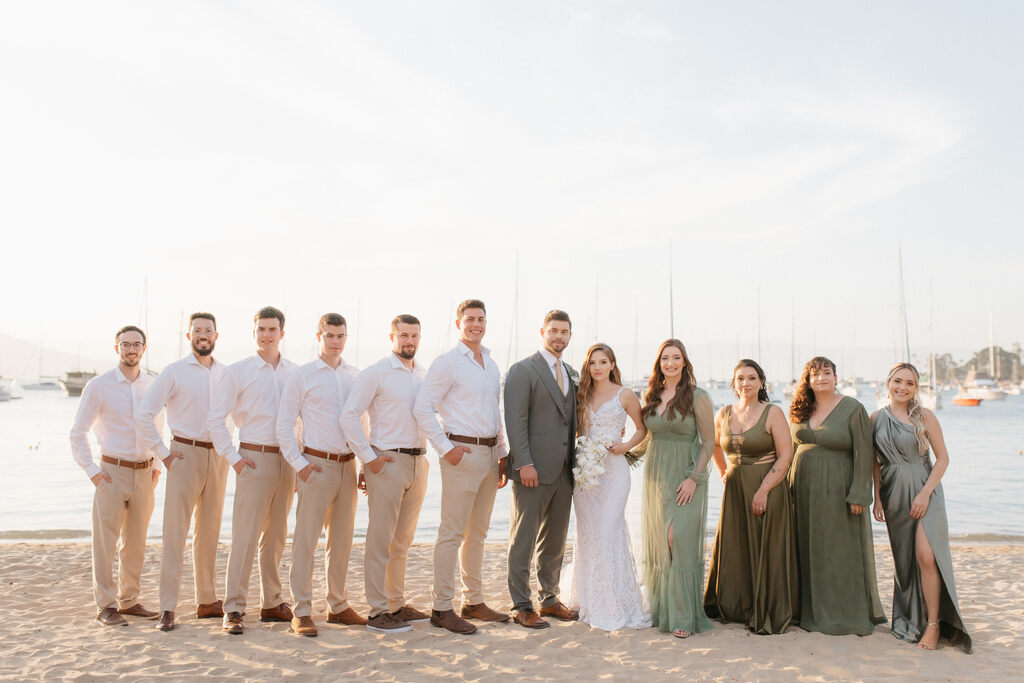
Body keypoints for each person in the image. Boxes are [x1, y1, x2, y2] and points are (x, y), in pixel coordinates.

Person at [414, 299, 509, 635]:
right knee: (451, 533)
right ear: (458, 324)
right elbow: (423, 408)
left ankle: (474, 601)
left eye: (481, 319)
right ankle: (441, 608)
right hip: (461, 453)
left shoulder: (492, 363)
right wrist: (446, 449)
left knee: (478, 534)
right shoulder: (448, 363)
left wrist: (502, 451)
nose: (476, 325)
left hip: (488, 455)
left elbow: (494, 412)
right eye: (470, 319)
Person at [207, 306, 297, 635]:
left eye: (272, 329)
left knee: (276, 536)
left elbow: (299, 420)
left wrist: (299, 464)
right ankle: (233, 608)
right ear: (254, 332)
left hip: (287, 461)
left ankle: (272, 603)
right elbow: (216, 419)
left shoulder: (295, 373)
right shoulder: (239, 371)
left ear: (282, 333)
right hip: (253, 459)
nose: (266, 334)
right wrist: (233, 458)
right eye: (260, 329)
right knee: (245, 536)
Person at [136, 312, 229, 632]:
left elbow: (239, 414)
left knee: (210, 532)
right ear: (188, 335)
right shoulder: (173, 372)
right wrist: (163, 454)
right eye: (197, 330)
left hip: (218, 456)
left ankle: (207, 600)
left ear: (217, 336)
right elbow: (144, 414)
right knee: (175, 533)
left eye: (208, 330)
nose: (203, 335)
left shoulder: (227, 374)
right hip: (183, 455)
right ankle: (167, 607)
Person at [340, 314, 431, 634]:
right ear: (391, 336)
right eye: (404, 335)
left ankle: (396, 602)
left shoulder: (423, 374)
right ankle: (378, 611)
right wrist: (368, 458)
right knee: (380, 540)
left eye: (415, 336)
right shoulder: (376, 372)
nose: (410, 341)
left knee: (402, 541)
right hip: (387, 462)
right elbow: (349, 416)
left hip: (419, 463)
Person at [871, 362, 972, 652]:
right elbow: (874, 463)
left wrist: (925, 494)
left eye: (910, 383)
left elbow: (942, 459)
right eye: (898, 381)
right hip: (893, 493)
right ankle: (912, 617)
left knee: (927, 557)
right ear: (888, 382)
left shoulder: (924, 416)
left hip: (925, 490)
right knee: (906, 561)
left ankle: (934, 624)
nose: (903, 387)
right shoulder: (875, 418)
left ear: (916, 388)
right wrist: (877, 497)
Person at [277, 313, 366, 637]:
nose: (335, 341)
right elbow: (285, 425)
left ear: (346, 338)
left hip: (348, 465)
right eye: (329, 335)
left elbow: (361, 423)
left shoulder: (355, 376)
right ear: (319, 337)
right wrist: (300, 465)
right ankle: (301, 611)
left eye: (340, 336)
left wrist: (365, 463)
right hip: (315, 465)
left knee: (341, 541)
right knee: (306, 541)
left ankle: (338, 606)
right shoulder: (302, 376)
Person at [70, 325, 162, 626]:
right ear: (117, 348)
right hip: (110, 472)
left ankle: (129, 600)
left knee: (135, 542)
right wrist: (93, 472)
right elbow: (78, 433)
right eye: (125, 344)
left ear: (144, 349)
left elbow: (159, 429)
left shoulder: (153, 385)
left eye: (137, 344)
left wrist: (158, 467)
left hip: (145, 472)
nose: (131, 349)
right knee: (106, 543)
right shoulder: (99, 386)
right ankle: (106, 605)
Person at [788, 356, 885, 635]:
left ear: (836, 377)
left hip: (839, 486)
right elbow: (790, 449)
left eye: (826, 373)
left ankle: (843, 615)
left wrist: (859, 495)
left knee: (838, 550)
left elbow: (865, 453)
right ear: (807, 380)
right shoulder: (800, 408)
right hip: (802, 487)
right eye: (815, 374)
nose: (821, 378)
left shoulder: (853, 408)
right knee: (807, 547)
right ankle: (806, 612)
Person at [704, 359, 798, 634]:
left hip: (766, 486)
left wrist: (764, 490)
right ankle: (738, 607)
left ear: (761, 382)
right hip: (735, 490)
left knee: (764, 547)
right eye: (740, 378)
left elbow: (786, 455)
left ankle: (764, 609)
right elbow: (713, 446)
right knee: (738, 547)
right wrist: (724, 473)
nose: (746, 383)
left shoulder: (773, 413)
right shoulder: (723, 413)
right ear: (733, 384)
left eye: (751, 378)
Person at [564, 342, 650, 631]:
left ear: (613, 365)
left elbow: (642, 428)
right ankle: (590, 599)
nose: (598, 367)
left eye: (604, 362)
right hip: (586, 474)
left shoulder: (625, 394)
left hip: (614, 472)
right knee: (588, 533)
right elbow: (575, 429)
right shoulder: (581, 394)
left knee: (608, 531)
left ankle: (615, 602)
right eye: (593, 363)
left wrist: (624, 445)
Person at [504, 310, 580, 629]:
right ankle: (521, 604)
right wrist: (524, 463)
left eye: (564, 331)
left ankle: (549, 599)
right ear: (542, 332)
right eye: (553, 330)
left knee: (555, 539)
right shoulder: (523, 370)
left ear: (569, 336)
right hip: (532, 469)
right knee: (523, 537)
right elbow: (515, 421)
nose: (558, 336)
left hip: (565, 470)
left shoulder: (572, 373)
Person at [639, 339, 714, 638]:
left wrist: (693, 478)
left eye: (676, 358)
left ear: (684, 363)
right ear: (659, 364)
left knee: (677, 539)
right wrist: (618, 453)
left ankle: (683, 616)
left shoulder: (698, 397)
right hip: (656, 476)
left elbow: (709, 442)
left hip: (687, 475)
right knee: (661, 543)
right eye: (665, 358)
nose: (670, 363)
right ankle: (664, 612)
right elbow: (646, 439)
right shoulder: (651, 395)